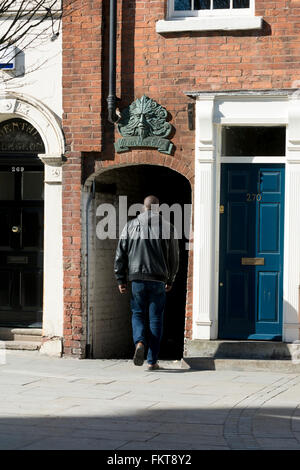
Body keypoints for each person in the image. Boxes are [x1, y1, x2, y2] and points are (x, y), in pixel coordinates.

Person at [114, 195, 179, 370]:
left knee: (137, 314)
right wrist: (170, 278)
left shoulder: (130, 226)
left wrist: (120, 278)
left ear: (143, 208)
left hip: (136, 279)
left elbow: (120, 254)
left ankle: (140, 343)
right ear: (158, 209)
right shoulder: (167, 227)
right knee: (156, 319)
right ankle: (152, 361)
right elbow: (174, 257)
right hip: (158, 279)